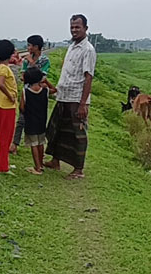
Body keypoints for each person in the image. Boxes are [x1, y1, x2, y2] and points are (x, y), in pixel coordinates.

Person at [44, 14, 97, 179]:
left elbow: (88, 77)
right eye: (72, 27)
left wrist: (83, 104)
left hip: (76, 98)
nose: (74, 30)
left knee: (77, 133)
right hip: (63, 96)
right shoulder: (71, 46)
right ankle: (55, 160)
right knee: (57, 129)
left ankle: (78, 169)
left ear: (85, 29)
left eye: (77, 27)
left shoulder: (88, 50)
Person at [10, 35, 56, 154]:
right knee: (21, 119)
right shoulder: (26, 60)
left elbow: (42, 77)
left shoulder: (44, 60)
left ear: (36, 47)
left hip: (39, 94)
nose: (28, 47)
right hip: (27, 92)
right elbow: (23, 76)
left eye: (30, 45)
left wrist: (32, 64)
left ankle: (37, 145)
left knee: (37, 120)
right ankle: (15, 144)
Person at [0, 39, 18, 173]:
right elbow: (1, 84)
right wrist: (10, 96)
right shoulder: (4, 68)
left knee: (4, 135)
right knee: (6, 137)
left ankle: (2, 160)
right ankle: (3, 167)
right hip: (6, 106)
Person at [20, 67, 50, 175]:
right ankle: (41, 164)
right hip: (42, 122)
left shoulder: (25, 92)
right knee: (41, 143)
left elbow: (22, 108)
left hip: (30, 122)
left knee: (34, 144)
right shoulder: (45, 90)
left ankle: (37, 168)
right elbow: (54, 90)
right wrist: (45, 81)